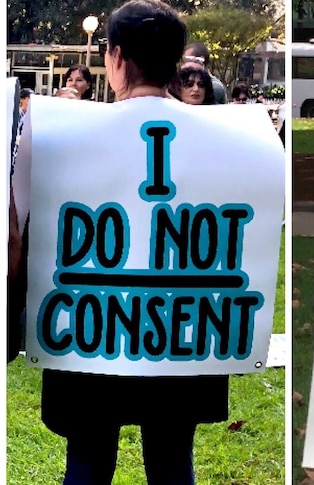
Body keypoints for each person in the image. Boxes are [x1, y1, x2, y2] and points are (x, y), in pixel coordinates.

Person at [31, 1, 229, 483]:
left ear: (116, 58)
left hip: (88, 330)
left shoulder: (61, 134)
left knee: (88, 455)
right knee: (171, 459)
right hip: (180, 333)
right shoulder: (228, 139)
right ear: (178, 62)